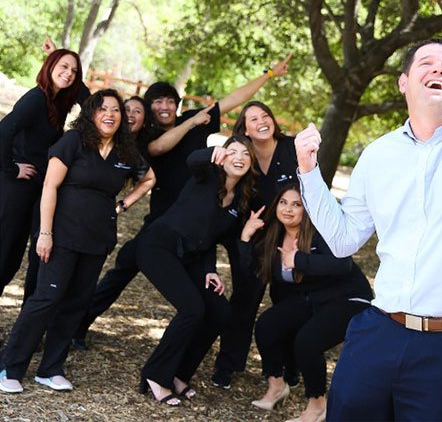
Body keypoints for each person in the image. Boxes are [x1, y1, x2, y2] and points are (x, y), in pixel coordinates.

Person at [294, 37, 442, 421]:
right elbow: (343, 240)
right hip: (378, 333)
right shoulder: (378, 153)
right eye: (426, 63)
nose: (438, 68)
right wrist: (309, 172)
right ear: (403, 82)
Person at [73, 55, 291, 348]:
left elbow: (233, 99)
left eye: (169, 101)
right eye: (157, 102)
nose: (164, 107)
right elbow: (157, 146)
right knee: (125, 265)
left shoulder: (195, 119)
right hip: (168, 222)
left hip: (218, 215)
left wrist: (269, 74)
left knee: (243, 272)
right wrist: (190, 124)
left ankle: (229, 356)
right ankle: (78, 326)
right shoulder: (146, 137)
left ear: (177, 104)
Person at [0, 89, 155, 394]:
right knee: (46, 298)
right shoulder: (73, 142)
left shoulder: (126, 151)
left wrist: (123, 205)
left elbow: (149, 178)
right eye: (102, 109)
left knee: (76, 303)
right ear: (91, 114)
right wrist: (45, 233)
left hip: (97, 238)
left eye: (115, 110)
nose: (109, 114)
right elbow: (49, 187)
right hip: (61, 234)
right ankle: (10, 367)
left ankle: (51, 369)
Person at [135, 135, 259, 406]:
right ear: (222, 156)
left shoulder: (240, 200)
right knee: (193, 309)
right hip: (158, 246)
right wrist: (211, 151)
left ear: (251, 163)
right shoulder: (207, 175)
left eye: (245, 154)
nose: (239, 157)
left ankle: (179, 374)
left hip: (192, 257)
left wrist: (210, 269)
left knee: (219, 311)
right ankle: (156, 374)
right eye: (232, 151)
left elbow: (210, 239)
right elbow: (193, 160)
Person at [240, 183, 372, 422]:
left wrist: (299, 259)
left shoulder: (319, 232)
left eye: (296, 204)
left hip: (349, 298)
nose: (288, 209)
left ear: (306, 210)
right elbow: (252, 273)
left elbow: (343, 265)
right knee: (267, 325)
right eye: (283, 202)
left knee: (307, 342)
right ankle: (277, 385)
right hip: (313, 299)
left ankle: (318, 405)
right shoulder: (272, 236)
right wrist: (245, 238)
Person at [213, 101, 299, 388]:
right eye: (253, 118)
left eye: (265, 115)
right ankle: (228, 365)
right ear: (244, 129)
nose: (262, 122)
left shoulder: (292, 147)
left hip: (290, 237)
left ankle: (290, 366)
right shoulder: (242, 153)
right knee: (244, 301)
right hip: (252, 236)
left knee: (288, 301)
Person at [0, 48, 88, 297]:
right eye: (63, 67)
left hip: (31, 191)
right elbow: (3, 131)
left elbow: (89, 101)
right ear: (49, 66)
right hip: (14, 189)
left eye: (74, 71)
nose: (69, 74)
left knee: (10, 262)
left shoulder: (56, 101)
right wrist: (10, 168)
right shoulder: (36, 99)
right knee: (3, 257)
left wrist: (69, 69)